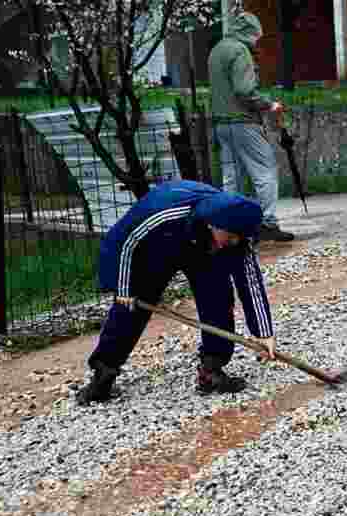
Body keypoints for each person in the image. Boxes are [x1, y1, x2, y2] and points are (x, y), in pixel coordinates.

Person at [76, 180, 277, 406]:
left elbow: (250, 282)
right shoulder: (163, 212)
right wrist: (122, 287)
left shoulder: (237, 238)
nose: (233, 242)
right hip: (157, 246)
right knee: (130, 306)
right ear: (213, 224)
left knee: (218, 298)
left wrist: (264, 333)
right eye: (230, 237)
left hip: (203, 251)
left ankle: (211, 369)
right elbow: (123, 241)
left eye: (238, 239)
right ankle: (104, 374)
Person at [209, 10, 295, 242]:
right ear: (250, 33)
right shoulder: (240, 51)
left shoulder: (217, 49)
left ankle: (230, 226)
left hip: (220, 123)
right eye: (257, 36)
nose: (257, 41)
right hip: (243, 123)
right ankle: (268, 223)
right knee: (265, 171)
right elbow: (244, 90)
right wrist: (269, 104)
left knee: (231, 176)